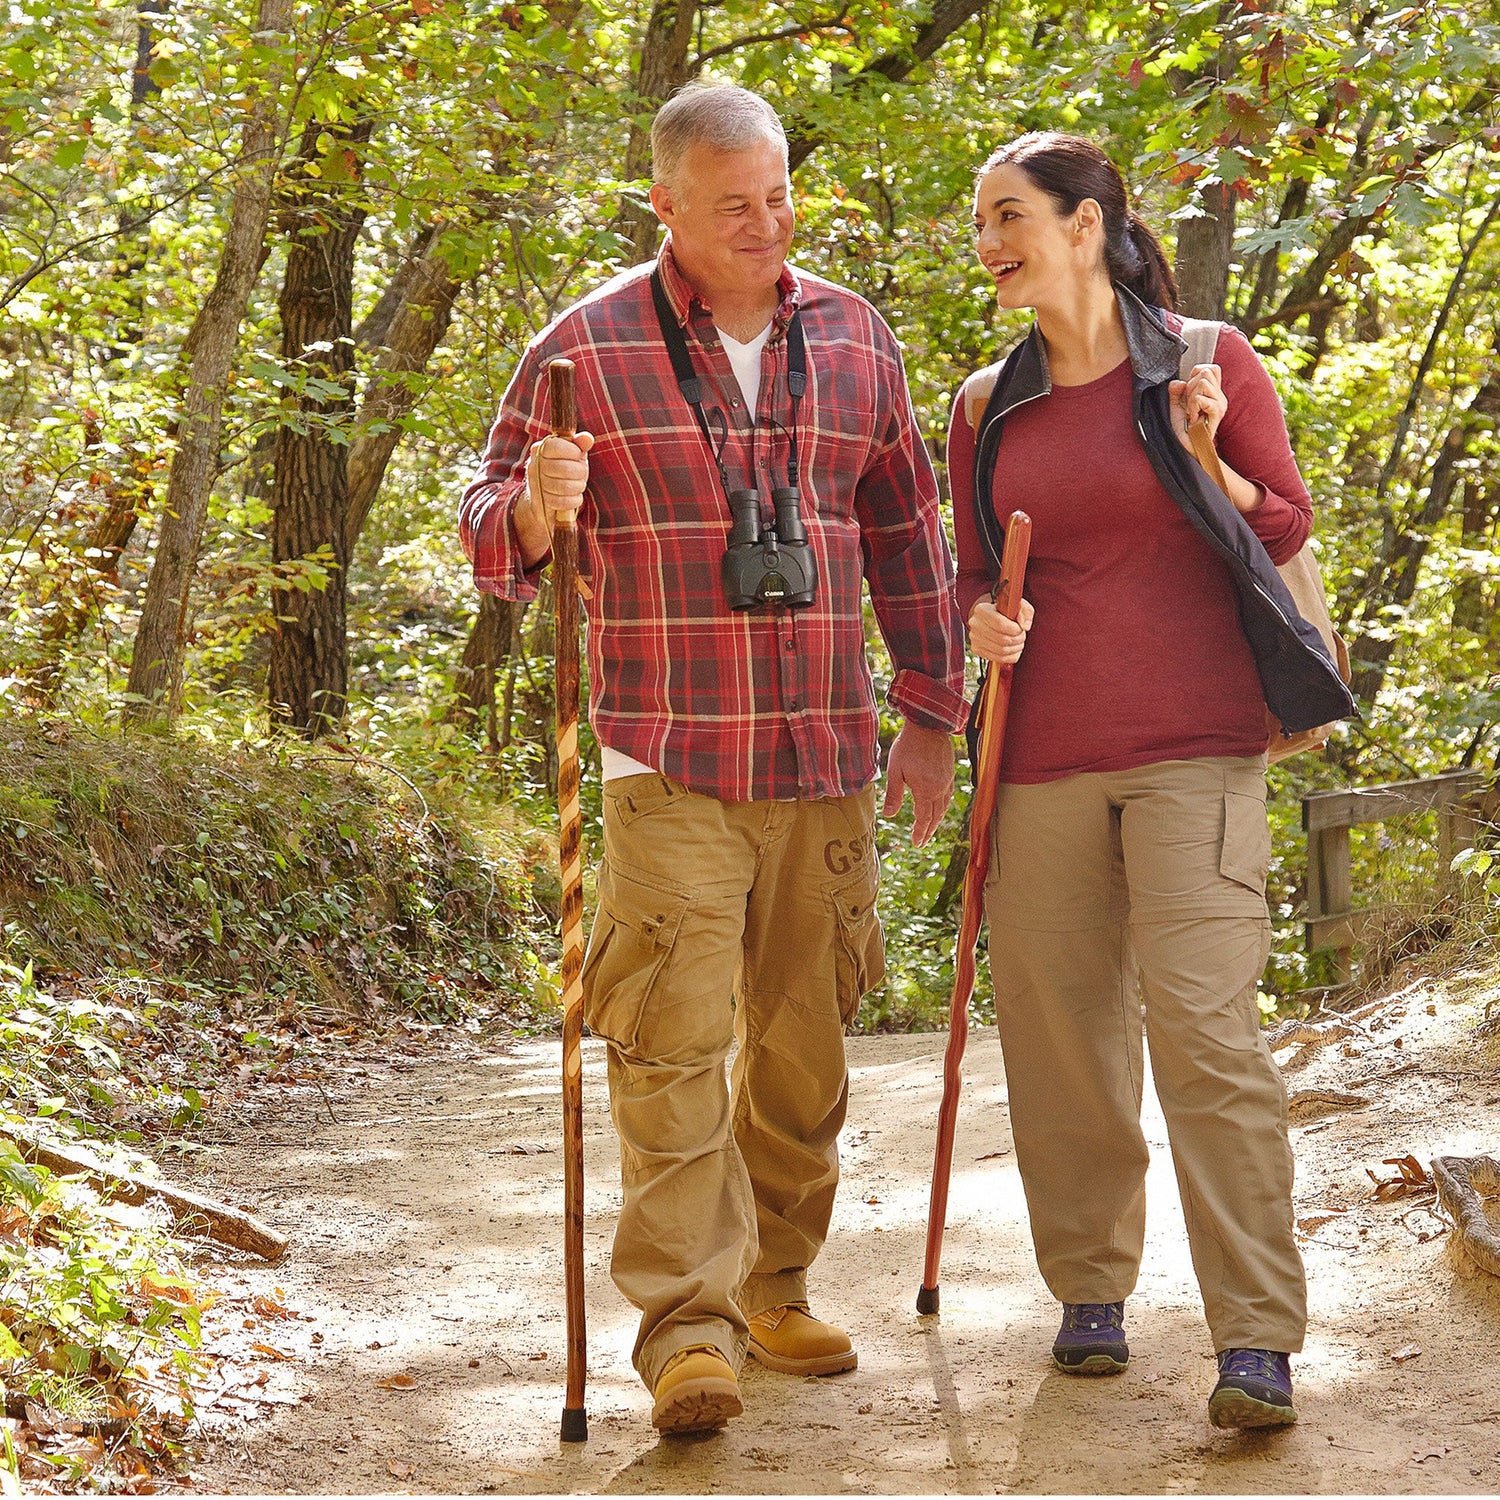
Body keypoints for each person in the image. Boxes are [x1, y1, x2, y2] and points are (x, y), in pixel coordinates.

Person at [459, 82, 966, 1436]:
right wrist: (529, 510)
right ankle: (685, 1328)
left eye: (781, 193)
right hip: (665, 750)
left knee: (804, 1049)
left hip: (824, 755)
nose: (768, 221)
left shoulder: (856, 336)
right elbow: (484, 521)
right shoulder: (585, 348)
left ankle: (776, 1284)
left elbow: (912, 532)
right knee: (674, 1044)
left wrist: (930, 715)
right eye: (735, 202)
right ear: (667, 204)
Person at [947, 133, 1354, 1429]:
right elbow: (967, 573)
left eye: (1010, 215)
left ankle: (1255, 1339)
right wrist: (980, 627)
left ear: (1086, 224)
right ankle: (1092, 1295)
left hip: (1199, 749)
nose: (991, 241)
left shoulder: (1206, 358)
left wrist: (1209, 453)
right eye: (981, 223)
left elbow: (1280, 520)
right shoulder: (983, 403)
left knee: (1205, 1036)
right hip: (1041, 761)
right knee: (1063, 1043)